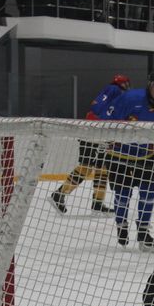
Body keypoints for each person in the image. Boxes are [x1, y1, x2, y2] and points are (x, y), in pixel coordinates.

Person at [103, 69, 154, 250]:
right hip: (119, 156)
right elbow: (108, 119)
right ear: (149, 85)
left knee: (148, 194)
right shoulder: (130, 98)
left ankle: (143, 231)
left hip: (144, 156)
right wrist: (106, 137)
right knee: (123, 195)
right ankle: (121, 225)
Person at [50, 74, 131, 214]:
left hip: (93, 132)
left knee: (102, 168)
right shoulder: (115, 91)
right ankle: (59, 194)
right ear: (123, 84)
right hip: (96, 134)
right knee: (87, 166)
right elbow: (103, 112)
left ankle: (98, 203)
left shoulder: (108, 91)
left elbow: (98, 109)